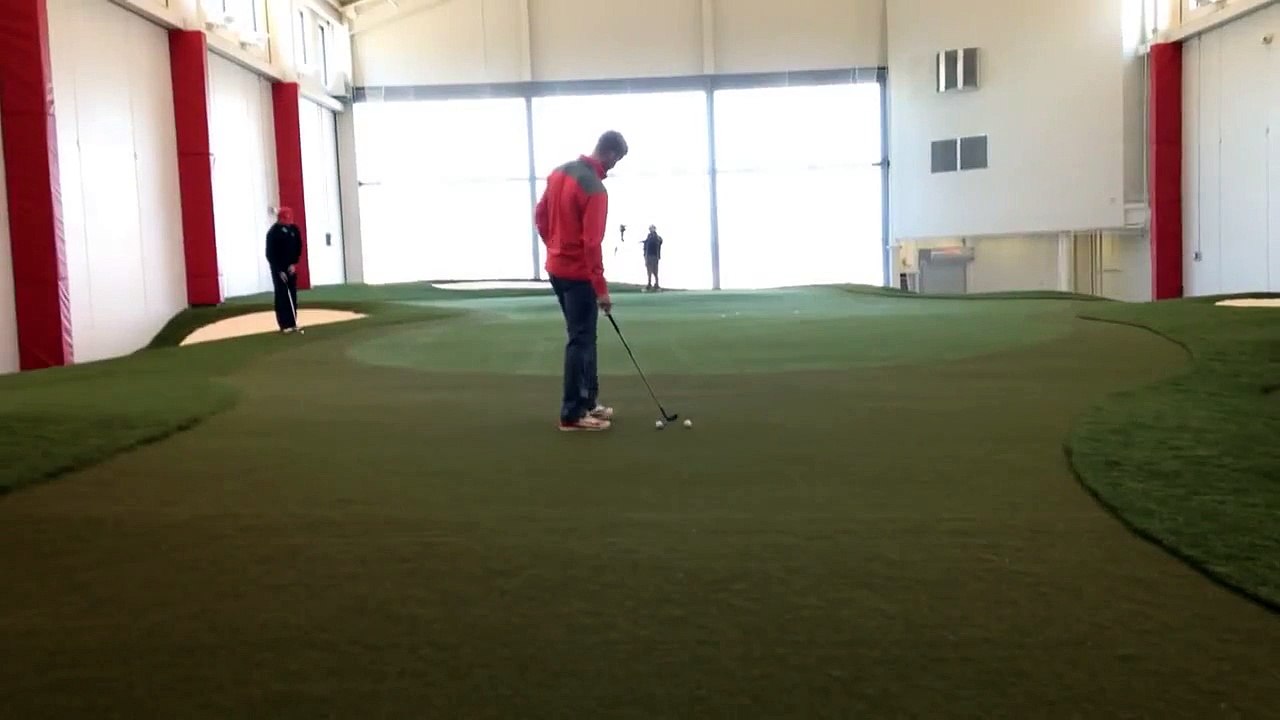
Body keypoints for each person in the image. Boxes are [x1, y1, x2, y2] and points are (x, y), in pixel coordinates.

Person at [535, 130, 629, 432]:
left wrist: (554, 247)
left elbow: (540, 215)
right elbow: (591, 244)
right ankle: (572, 414)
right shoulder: (595, 190)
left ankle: (588, 402)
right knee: (580, 340)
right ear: (611, 154)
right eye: (617, 160)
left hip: (556, 269)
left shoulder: (559, 172)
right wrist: (601, 290)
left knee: (584, 337)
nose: (615, 167)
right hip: (578, 275)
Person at [265, 206, 302, 334]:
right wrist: (279, 270)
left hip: (291, 267)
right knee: (281, 294)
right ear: (279, 219)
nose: (288, 222)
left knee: (292, 294)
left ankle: (293, 322)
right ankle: (283, 324)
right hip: (278, 269)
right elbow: (270, 254)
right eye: (285, 219)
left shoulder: (294, 230)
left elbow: (298, 247)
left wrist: (294, 263)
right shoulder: (273, 233)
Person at [642, 224, 664, 291]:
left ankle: (657, 285)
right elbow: (645, 247)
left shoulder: (657, 237)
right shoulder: (648, 237)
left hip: (655, 256)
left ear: (655, 229)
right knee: (649, 271)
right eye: (650, 228)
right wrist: (645, 255)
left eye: (652, 228)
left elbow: (660, 241)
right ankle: (649, 285)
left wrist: (651, 238)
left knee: (655, 271)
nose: (651, 229)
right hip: (648, 256)